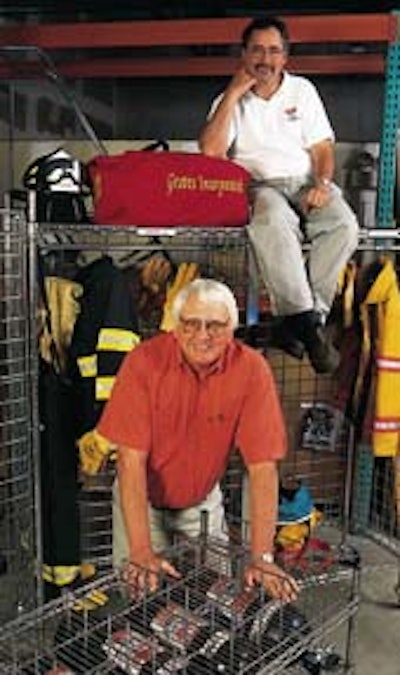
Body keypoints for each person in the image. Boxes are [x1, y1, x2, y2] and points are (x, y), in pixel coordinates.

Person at [97, 278, 298, 601]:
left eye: (215, 326)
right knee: (141, 596)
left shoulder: (252, 370)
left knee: (219, 596)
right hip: (142, 499)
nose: (202, 336)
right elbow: (129, 460)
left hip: (202, 500)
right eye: (191, 324)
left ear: (232, 328)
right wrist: (141, 549)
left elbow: (262, 467)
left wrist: (262, 557)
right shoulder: (142, 363)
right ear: (175, 326)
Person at [198, 15, 359, 374]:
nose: (265, 59)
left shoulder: (303, 91)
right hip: (257, 187)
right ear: (243, 54)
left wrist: (321, 183)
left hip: (305, 182)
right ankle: (308, 325)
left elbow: (321, 150)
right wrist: (234, 93)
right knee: (272, 219)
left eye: (274, 51)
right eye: (257, 50)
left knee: (345, 225)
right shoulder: (229, 99)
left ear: (285, 57)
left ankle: (303, 320)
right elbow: (210, 152)